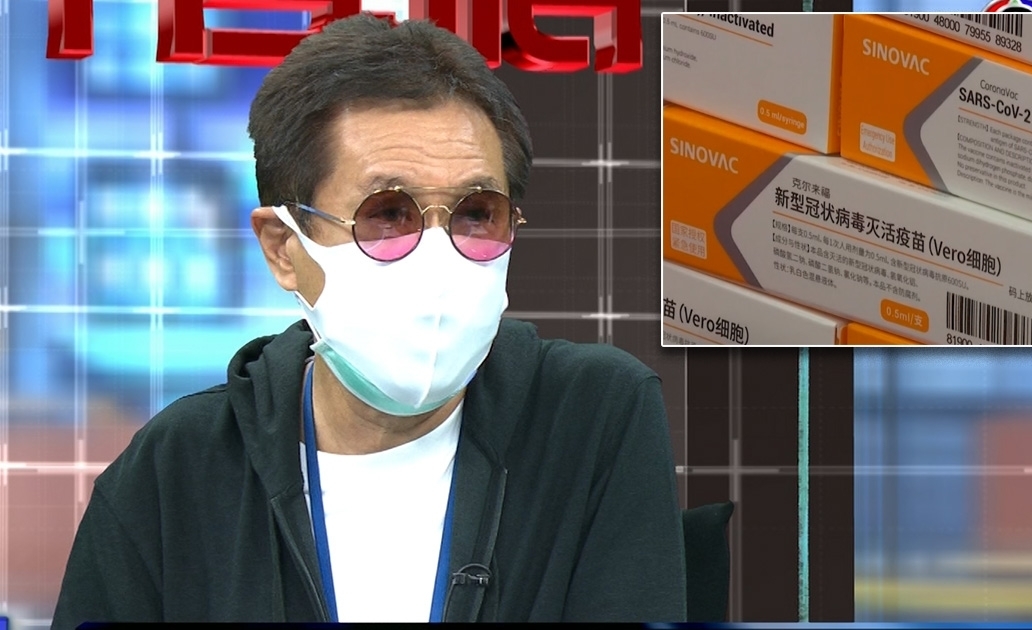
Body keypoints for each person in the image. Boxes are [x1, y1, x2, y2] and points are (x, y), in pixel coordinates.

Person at [50, 13, 685, 626]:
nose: (438, 255)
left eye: (476, 213)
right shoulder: (176, 471)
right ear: (284, 248)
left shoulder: (593, 416)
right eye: (387, 214)